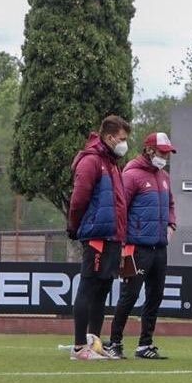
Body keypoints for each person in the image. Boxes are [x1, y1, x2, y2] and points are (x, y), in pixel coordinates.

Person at [108, 132, 178, 360]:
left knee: (155, 296)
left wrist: (171, 224)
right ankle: (115, 343)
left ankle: (145, 344)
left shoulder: (164, 176)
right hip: (136, 247)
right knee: (129, 295)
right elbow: (120, 208)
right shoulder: (131, 174)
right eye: (162, 152)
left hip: (159, 248)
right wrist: (121, 242)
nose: (165, 157)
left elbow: (170, 205)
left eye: (167, 153)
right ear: (149, 150)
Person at [66, 115, 130, 361]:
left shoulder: (112, 163)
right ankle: (79, 347)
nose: (124, 144)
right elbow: (79, 199)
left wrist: (122, 236)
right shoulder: (91, 161)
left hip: (113, 237)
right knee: (88, 288)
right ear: (110, 137)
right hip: (97, 236)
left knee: (103, 289)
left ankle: (93, 343)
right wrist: (74, 225)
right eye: (122, 139)